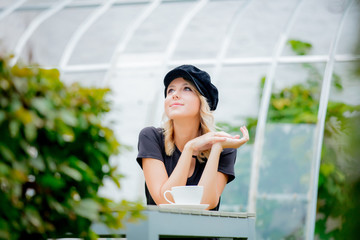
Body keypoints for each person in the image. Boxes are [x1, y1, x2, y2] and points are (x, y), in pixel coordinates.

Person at [136, 65, 249, 238]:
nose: (174, 94)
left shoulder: (223, 148)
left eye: (187, 88)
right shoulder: (151, 137)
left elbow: (208, 203)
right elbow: (165, 201)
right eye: (170, 90)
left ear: (203, 102)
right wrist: (190, 149)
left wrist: (217, 147)